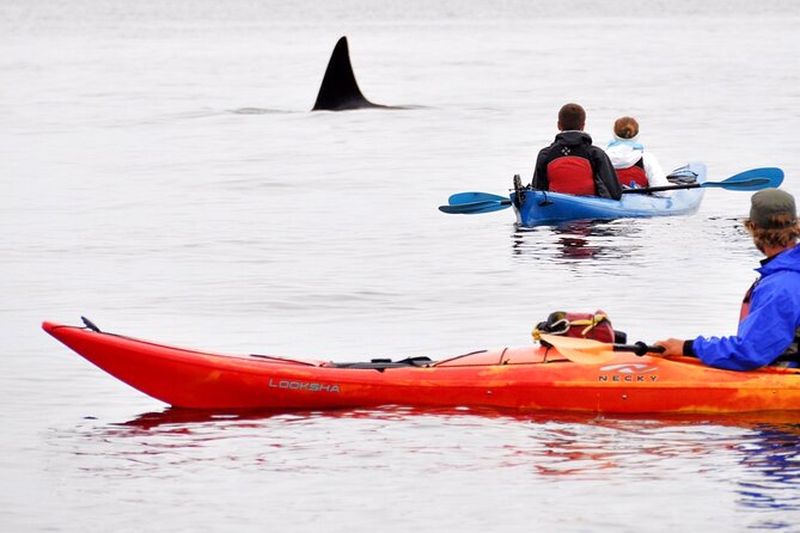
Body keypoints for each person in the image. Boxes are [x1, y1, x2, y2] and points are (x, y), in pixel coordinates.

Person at [656, 189, 800, 370]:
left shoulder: (781, 286)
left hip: (786, 385)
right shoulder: (789, 273)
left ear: (753, 228)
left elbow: (750, 352)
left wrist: (687, 347)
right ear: (795, 228)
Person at [532, 103, 622, 200]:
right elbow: (615, 193)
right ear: (583, 126)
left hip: (555, 205)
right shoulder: (596, 154)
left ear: (558, 125)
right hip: (591, 207)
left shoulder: (545, 154)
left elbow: (537, 192)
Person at [605, 116, 671, 193]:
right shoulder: (646, 158)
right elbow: (662, 192)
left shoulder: (601, 157)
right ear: (637, 135)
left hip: (610, 200)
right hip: (639, 201)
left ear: (614, 134)